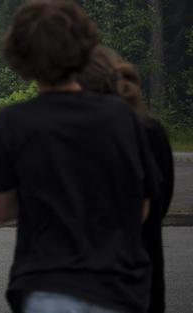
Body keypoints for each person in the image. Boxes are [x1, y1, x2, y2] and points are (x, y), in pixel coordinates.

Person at [0, 0, 158, 313]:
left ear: (19, 54)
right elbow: (142, 206)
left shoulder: (12, 122)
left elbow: (3, 209)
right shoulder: (122, 117)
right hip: (118, 284)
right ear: (84, 47)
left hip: (46, 281)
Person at [79, 45, 174, 313]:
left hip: (88, 281)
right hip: (144, 273)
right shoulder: (152, 131)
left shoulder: (78, 135)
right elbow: (160, 201)